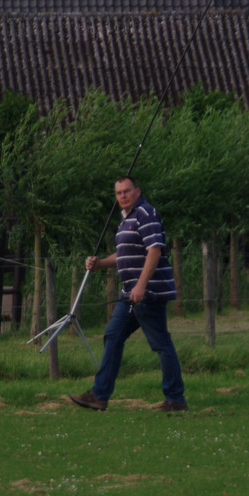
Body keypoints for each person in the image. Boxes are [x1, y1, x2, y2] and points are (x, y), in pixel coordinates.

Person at [70, 176, 187, 413]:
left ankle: (175, 399)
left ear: (137, 191)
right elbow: (123, 254)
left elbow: (154, 251)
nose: (122, 196)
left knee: (160, 344)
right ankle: (99, 396)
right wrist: (100, 264)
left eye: (126, 191)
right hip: (130, 295)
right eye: (118, 193)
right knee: (112, 336)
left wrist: (141, 285)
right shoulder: (126, 219)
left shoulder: (145, 213)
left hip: (148, 293)